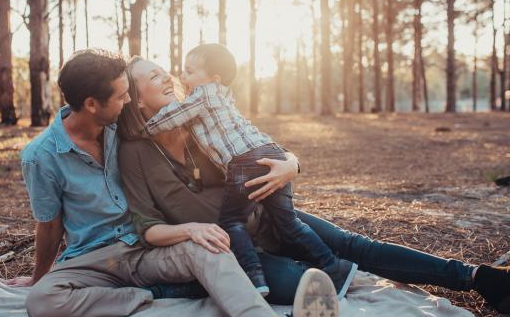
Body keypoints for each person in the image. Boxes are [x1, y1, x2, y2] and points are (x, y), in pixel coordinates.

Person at [117, 55, 510, 314]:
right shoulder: (136, 151)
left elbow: (260, 145)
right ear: (136, 100)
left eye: (162, 69)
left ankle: (481, 278)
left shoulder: (201, 124)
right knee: (321, 276)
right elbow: (146, 223)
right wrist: (192, 231)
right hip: (234, 246)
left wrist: (292, 165)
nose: (166, 76)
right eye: (151, 77)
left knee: (357, 245)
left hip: (271, 213)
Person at [5, 49, 340, 317]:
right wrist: (39, 276)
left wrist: (291, 162)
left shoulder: (119, 130)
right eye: (121, 96)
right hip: (93, 260)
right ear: (91, 104)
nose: (126, 102)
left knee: (207, 246)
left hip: (145, 250)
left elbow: (234, 139)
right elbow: (48, 226)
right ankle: (149, 295)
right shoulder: (41, 157)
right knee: (41, 302)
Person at [137, 44, 356, 298]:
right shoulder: (224, 95)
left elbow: (169, 118)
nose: (181, 77)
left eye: (189, 71)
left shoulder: (202, 96)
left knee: (231, 221)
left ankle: (254, 277)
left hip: (245, 162)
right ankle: (334, 266)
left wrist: (142, 130)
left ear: (213, 78)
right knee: (289, 223)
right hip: (269, 152)